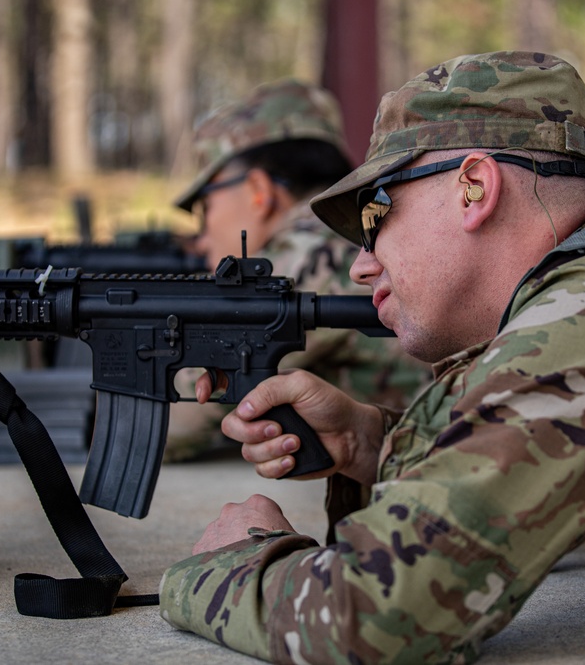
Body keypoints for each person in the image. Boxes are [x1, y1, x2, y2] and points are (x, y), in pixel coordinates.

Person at [158, 52, 585, 663]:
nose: (362, 264)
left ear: (474, 186)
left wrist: (241, 559)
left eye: (375, 216)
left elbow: (378, 615)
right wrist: (376, 442)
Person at [162, 78, 430, 462]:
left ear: (259, 191)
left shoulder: (309, 249)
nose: (200, 238)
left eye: (206, 208)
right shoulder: (357, 229)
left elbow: (176, 420)